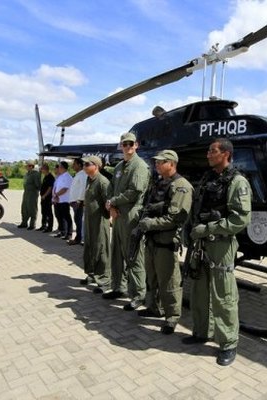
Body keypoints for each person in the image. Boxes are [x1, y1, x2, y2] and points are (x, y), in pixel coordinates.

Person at [182, 138, 252, 367]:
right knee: (200, 290)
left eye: (213, 151)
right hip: (201, 242)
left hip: (220, 243)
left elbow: (240, 219)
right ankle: (202, 332)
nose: (208, 155)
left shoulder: (237, 182)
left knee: (223, 295)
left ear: (226, 154)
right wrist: (190, 230)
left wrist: (209, 228)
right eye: (209, 151)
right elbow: (197, 207)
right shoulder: (208, 178)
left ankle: (228, 343)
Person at [136, 150, 193, 335]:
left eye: (161, 162)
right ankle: (154, 307)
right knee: (151, 277)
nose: (157, 165)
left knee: (169, 282)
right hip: (152, 240)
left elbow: (175, 219)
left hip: (166, 242)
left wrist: (150, 224)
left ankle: (172, 317)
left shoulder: (181, 186)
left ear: (172, 163)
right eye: (157, 162)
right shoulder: (160, 183)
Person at [103, 132, 150, 312]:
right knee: (116, 253)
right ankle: (118, 287)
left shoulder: (139, 166)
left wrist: (113, 202)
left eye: (131, 143)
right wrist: (111, 205)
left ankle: (139, 295)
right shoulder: (119, 167)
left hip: (131, 215)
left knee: (133, 255)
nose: (128, 146)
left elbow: (135, 192)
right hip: (118, 216)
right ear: (121, 146)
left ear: (136, 145)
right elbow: (110, 189)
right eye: (124, 144)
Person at [80, 155, 111, 293]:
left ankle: (104, 280)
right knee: (90, 247)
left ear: (96, 166)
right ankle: (92, 274)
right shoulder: (89, 179)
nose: (84, 166)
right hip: (89, 219)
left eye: (87, 164)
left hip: (99, 220)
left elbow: (108, 202)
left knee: (101, 249)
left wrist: (109, 219)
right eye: (84, 164)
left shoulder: (103, 182)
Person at [68, 158, 87, 245]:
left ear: (79, 165)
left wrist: (79, 200)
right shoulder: (78, 174)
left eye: (74, 164)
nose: (73, 166)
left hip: (78, 202)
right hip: (75, 202)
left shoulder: (83, 175)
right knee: (77, 220)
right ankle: (79, 238)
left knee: (79, 221)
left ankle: (80, 239)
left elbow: (83, 188)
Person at [52, 161, 73, 239]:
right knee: (59, 216)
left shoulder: (68, 177)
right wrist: (55, 195)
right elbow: (56, 187)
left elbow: (65, 189)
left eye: (59, 167)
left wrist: (56, 195)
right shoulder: (60, 176)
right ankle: (62, 231)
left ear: (63, 168)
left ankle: (69, 234)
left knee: (66, 217)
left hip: (64, 200)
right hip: (58, 200)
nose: (58, 168)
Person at [18, 161, 41, 230]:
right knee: (24, 208)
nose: (25, 167)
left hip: (32, 193)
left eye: (27, 166)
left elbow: (38, 185)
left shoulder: (35, 174)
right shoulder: (27, 174)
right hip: (26, 192)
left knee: (32, 208)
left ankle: (32, 224)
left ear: (31, 166)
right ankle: (24, 223)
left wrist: (35, 190)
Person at [38, 163, 55, 232]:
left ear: (45, 169)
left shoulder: (50, 177)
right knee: (43, 212)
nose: (41, 170)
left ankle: (49, 227)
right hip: (43, 198)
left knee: (48, 212)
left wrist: (45, 195)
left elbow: (50, 188)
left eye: (41, 169)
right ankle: (43, 225)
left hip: (47, 198)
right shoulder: (45, 176)